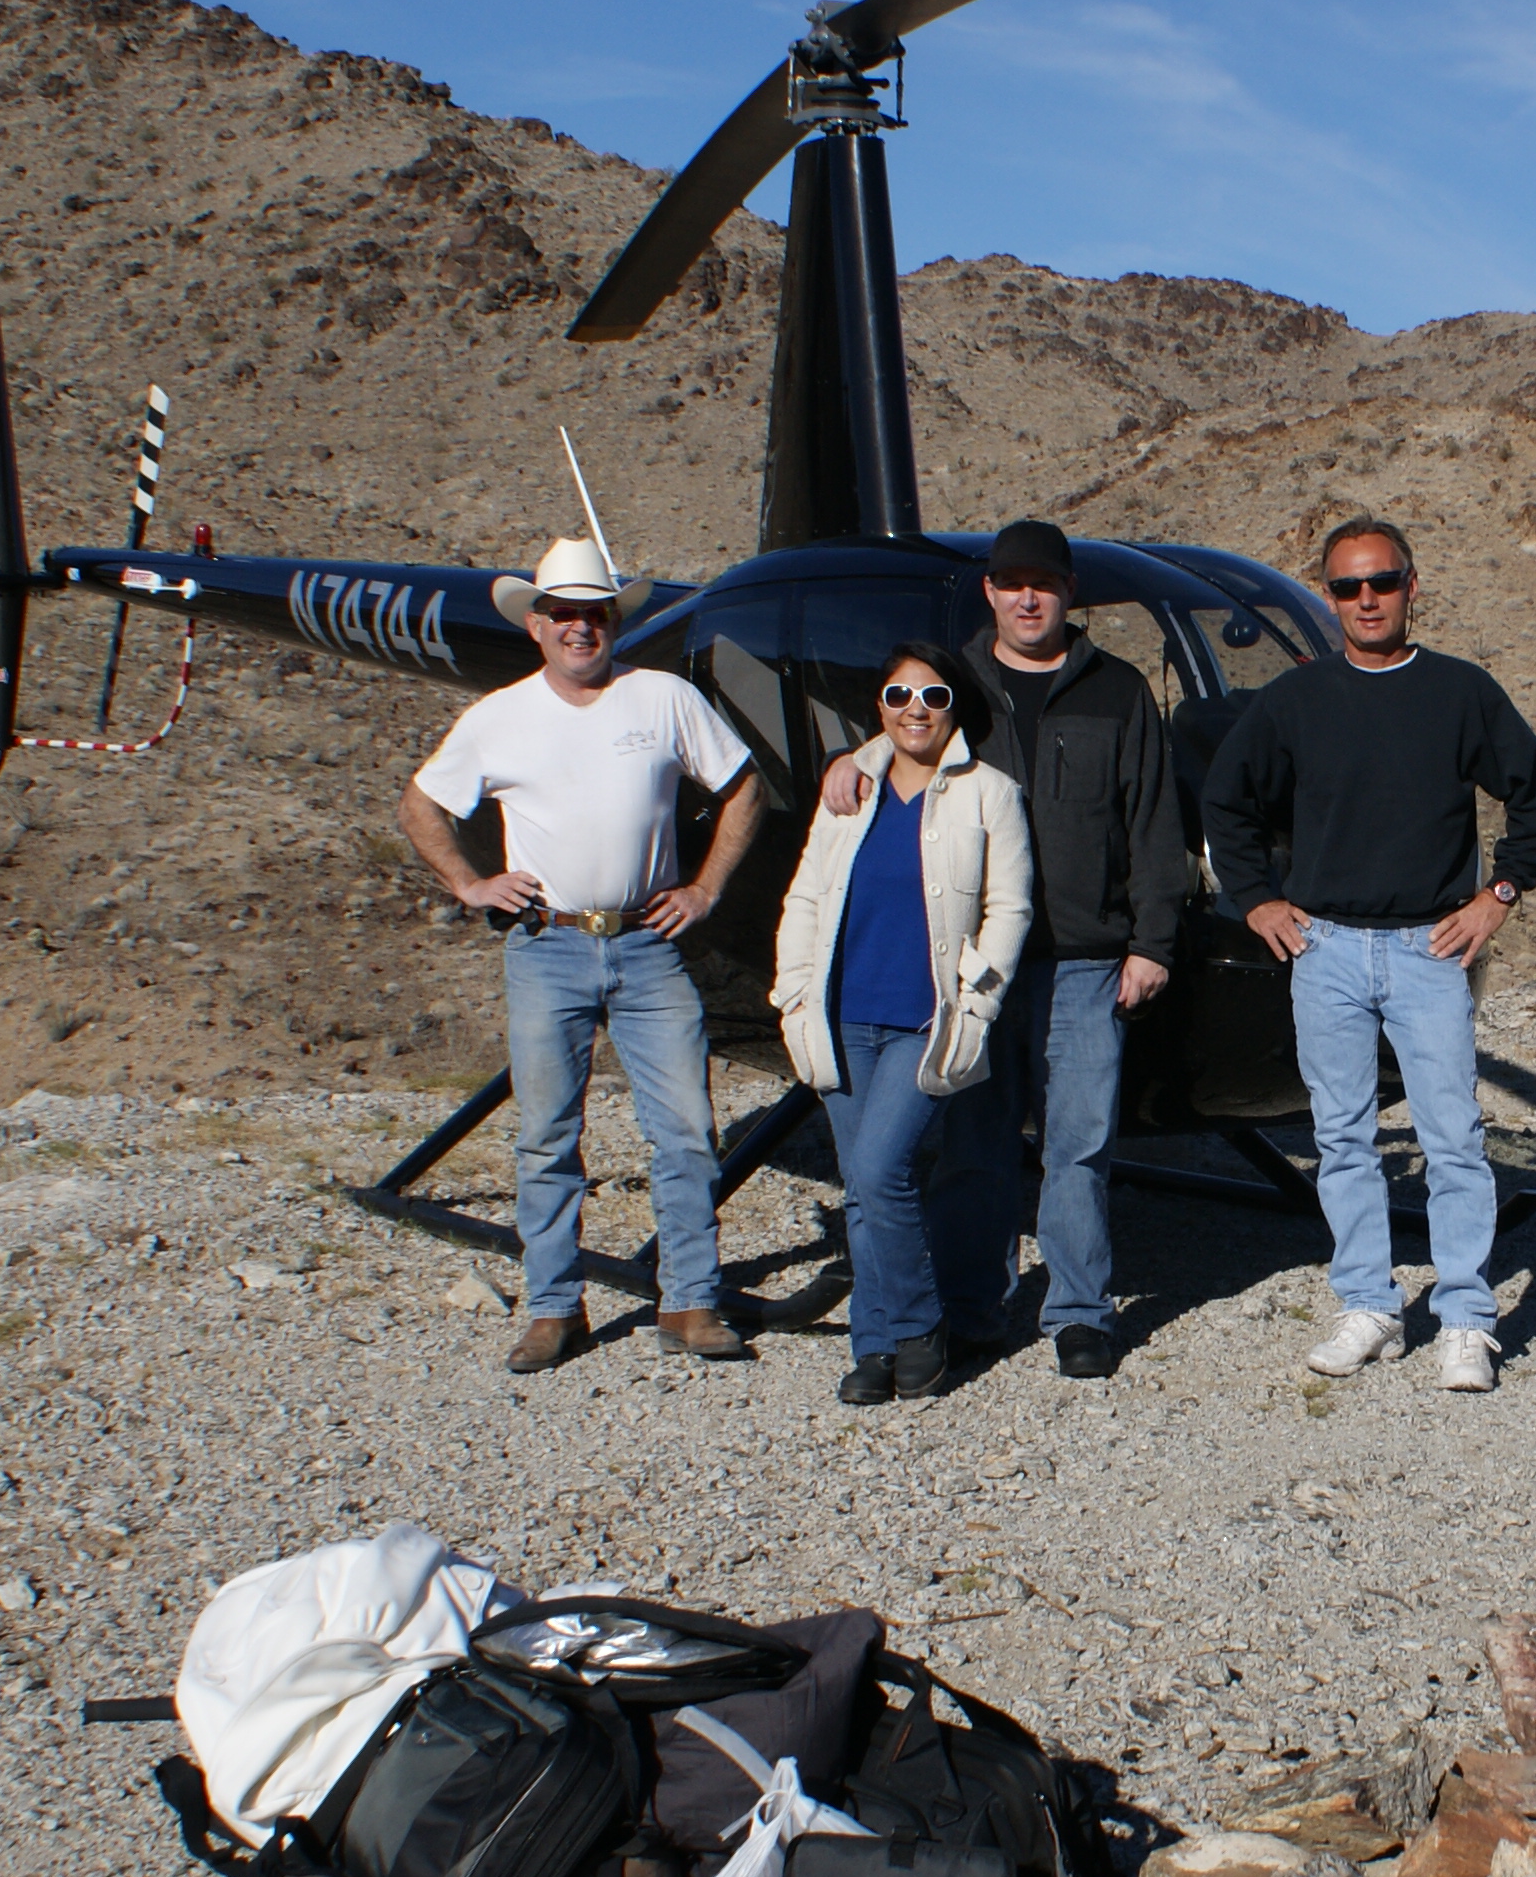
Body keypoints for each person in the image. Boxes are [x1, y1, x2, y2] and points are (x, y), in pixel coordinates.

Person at [1198, 516, 1536, 1392]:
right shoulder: (1295, 699)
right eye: (1347, 587)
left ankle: (1468, 1320)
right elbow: (1227, 799)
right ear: (1329, 597)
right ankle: (1368, 1305)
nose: (1367, 600)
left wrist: (1498, 896)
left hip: (1428, 951)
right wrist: (1257, 901)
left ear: (1412, 586)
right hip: (1323, 950)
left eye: (1383, 582)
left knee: (1452, 1138)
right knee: (1343, 1138)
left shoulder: (1461, 693)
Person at [818, 519, 1187, 1377]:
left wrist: (1152, 941)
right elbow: (903, 728)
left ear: (1070, 594)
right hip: (976, 962)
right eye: (1012, 582)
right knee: (974, 1143)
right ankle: (971, 1304)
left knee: (1080, 1143)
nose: (1029, 598)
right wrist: (854, 756)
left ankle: (1079, 1313)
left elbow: (1155, 823)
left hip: (1088, 959)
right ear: (989, 591)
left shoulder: (1119, 691)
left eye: (1045, 584)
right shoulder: (960, 686)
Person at [398, 535, 761, 1375]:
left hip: (647, 943)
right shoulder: (498, 718)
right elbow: (422, 805)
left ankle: (691, 1300)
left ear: (612, 620)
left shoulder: (663, 698)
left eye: (593, 613)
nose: (578, 627)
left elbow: (743, 787)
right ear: (536, 625)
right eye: (561, 613)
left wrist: (703, 889)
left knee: (685, 1130)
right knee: (547, 1136)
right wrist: (469, 883)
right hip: (546, 944)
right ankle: (554, 1308)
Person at [772, 646, 1037, 1405]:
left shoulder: (990, 793)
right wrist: (792, 995)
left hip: (926, 1018)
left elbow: (1009, 907)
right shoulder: (849, 792)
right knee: (861, 1187)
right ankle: (873, 1343)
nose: (914, 708)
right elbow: (804, 898)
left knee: (882, 1172)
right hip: (842, 1016)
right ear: (878, 705)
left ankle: (920, 1325)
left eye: (931, 694)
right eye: (897, 693)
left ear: (955, 706)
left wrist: (980, 996)